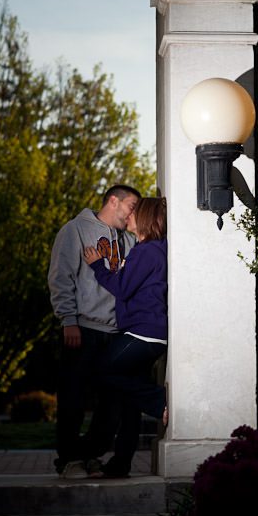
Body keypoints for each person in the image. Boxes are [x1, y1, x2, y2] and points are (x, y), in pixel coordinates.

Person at [47, 184, 141, 478]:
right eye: (131, 207)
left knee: (112, 402)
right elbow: (60, 277)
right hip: (83, 328)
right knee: (73, 398)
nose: (132, 214)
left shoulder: (128, 240)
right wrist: (68, 320)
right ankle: (69, 460)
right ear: (114, 201)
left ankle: (90, 455)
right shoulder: (75, 230)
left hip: (116, 333)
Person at [82, 196, 168, 478]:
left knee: (99, 369)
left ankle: (159, 401)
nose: (129, 215)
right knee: (129, 399)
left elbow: (122, 288)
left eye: (134, 212)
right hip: (145, 332)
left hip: (143, 333)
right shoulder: (152, 249)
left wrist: (98, 265)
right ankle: (121, 463)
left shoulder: (147, 251)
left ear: (144, 218)